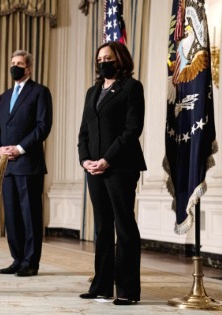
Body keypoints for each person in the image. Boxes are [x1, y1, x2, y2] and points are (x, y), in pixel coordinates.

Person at [77, 41, 146, 305]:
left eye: (108, 57)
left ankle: (128, 291)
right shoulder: (92, 91)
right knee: (102, 227)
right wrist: (85, 160)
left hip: (121, 167)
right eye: (100, 58)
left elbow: (132, 129)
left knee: (124, 226)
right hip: (93, 169)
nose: (103, 62)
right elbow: (84, 130)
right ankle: (102, 285)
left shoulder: (131, 87)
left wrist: (107, 159)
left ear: (120, 59)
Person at [0, 50, 53, 277]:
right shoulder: (4, 96)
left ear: (28, 68)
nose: (15, 67)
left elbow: (42, 127)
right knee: (12, 215)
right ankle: (17, 258)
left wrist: (18, 148)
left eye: (19, 64)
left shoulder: (40, 92)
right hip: (6, 165)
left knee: (30, 215)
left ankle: (31, 262)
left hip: (28, 164)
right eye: (12, 63)